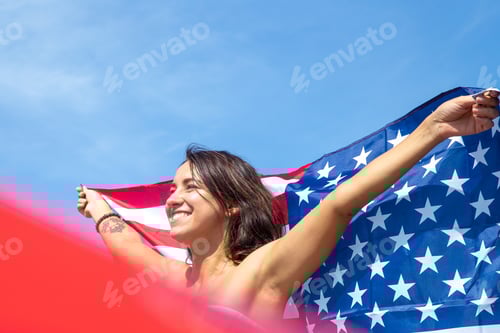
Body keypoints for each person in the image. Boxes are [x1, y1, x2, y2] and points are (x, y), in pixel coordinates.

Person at [77, 90, 499, 325]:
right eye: (172, 188)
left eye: (190, 187)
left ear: (229, 206)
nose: (172, 199)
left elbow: (338, 205)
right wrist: (101, 211)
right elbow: (125, 247)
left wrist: (434, 129)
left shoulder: (262, 272)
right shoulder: (169, 278)